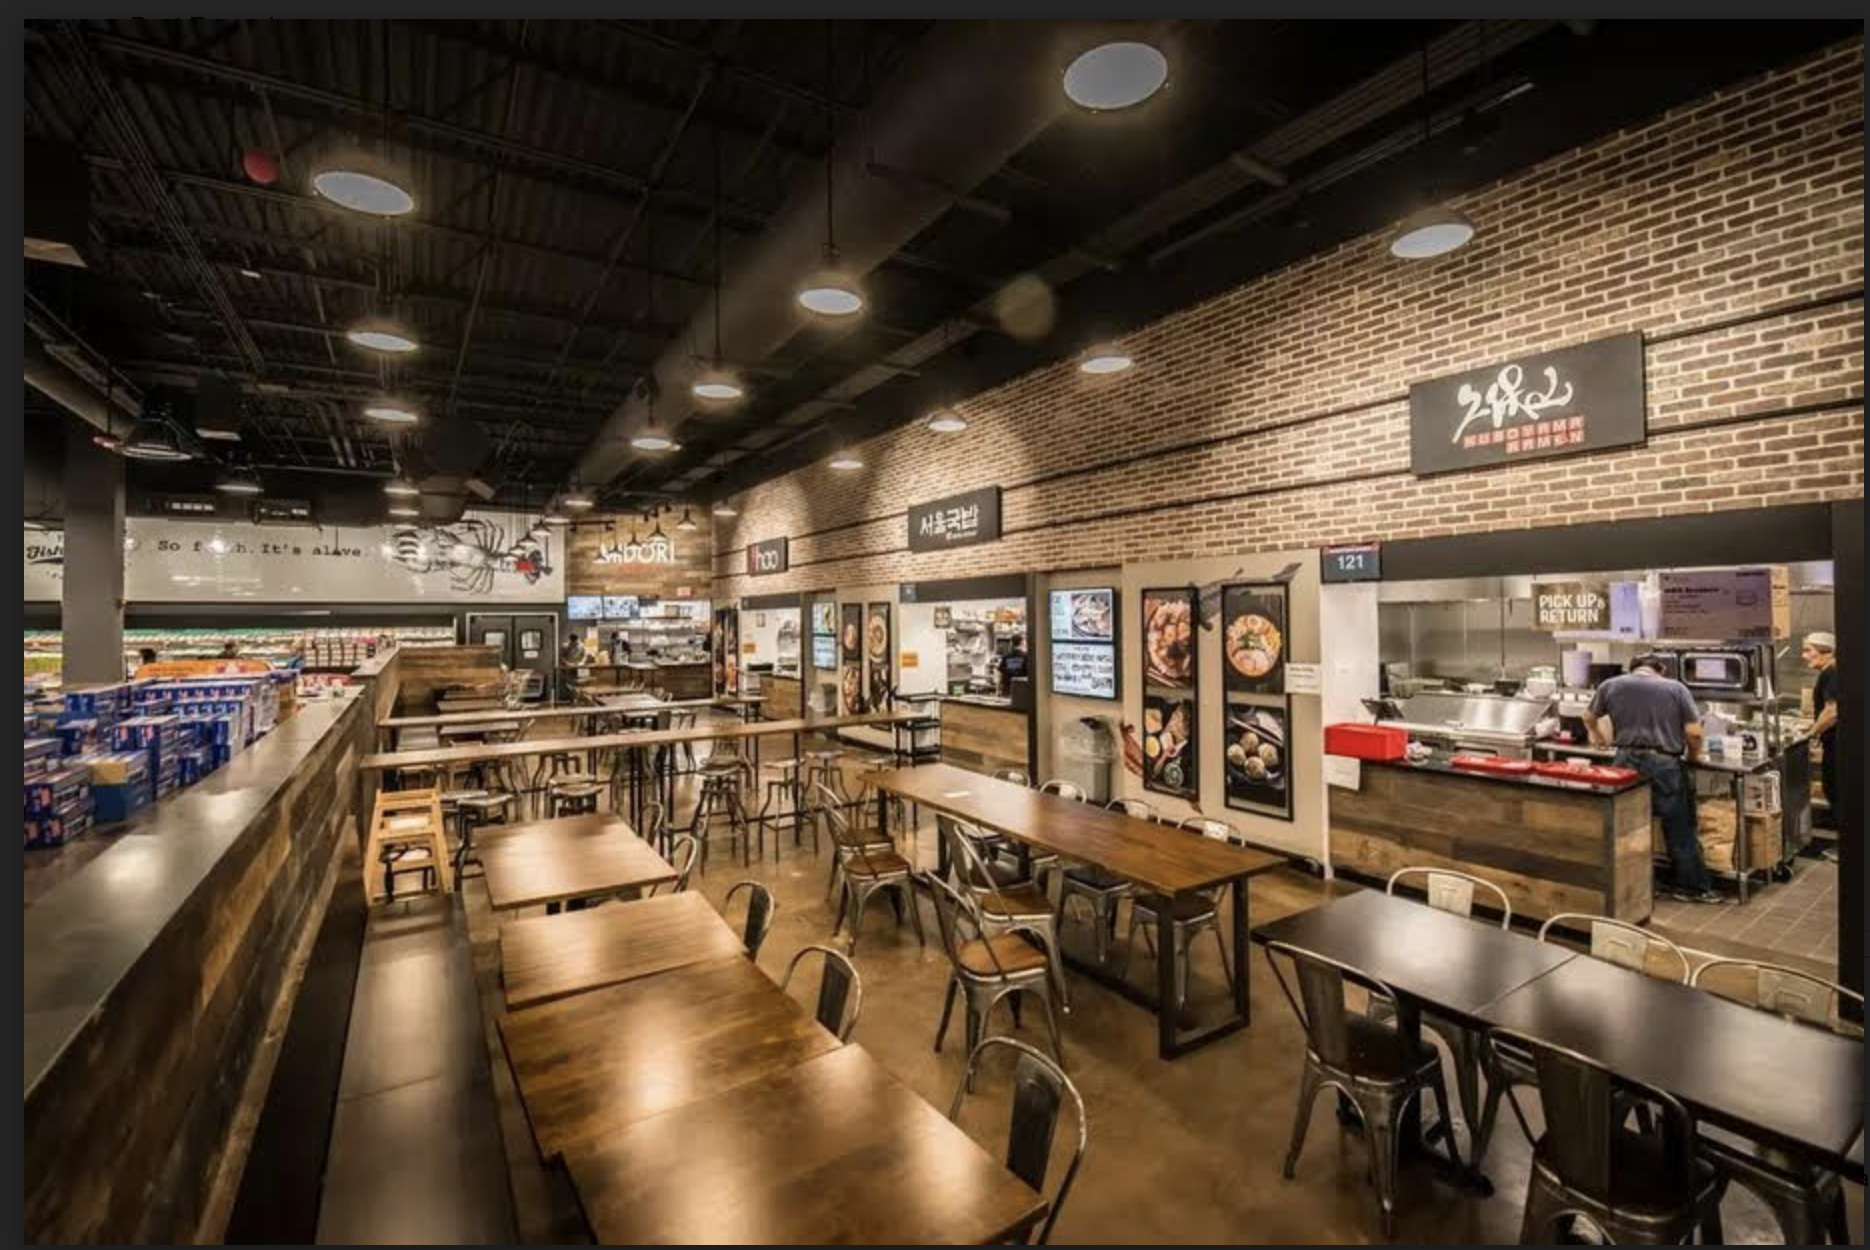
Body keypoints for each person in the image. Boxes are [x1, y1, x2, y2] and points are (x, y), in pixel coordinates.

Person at [1588, 654, 1716, 903]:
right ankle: (1690, 886)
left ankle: (1628, 879)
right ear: (1661, 669)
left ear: (1632, 668)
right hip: (1663, 763)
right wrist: (1693, 757)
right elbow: (1694, 733)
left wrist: (1599, 737)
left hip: (1624, 761)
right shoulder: (1676, 688)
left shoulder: (1610, 685)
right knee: (1678, 824)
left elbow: (1588, 717)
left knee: (1626, 824)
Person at [1803, 631, 1839, 830]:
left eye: (1809, 650)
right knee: (1831, 786)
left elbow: (1832, 711)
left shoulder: (1831, 672)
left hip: (1838, 744)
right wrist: (1815, 726)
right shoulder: (1830, 672)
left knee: (1835, 786)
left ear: (1827, 652)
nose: (1804, 656)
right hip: (1833, 742)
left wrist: (1812, 733)